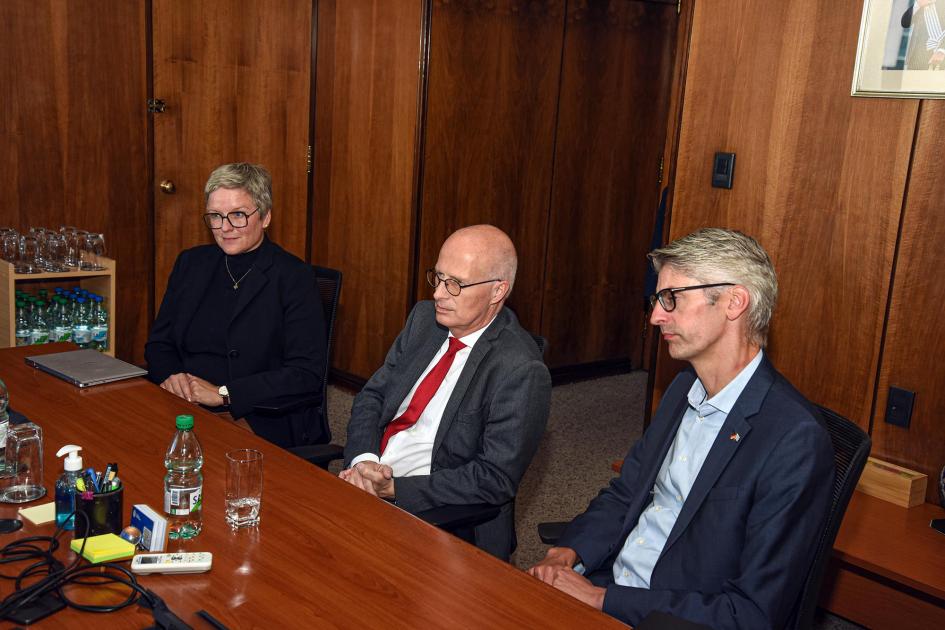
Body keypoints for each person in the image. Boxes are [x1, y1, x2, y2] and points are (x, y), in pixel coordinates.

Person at [528, 228, 834, 629]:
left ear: (734, 302)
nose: (656, 315)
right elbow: (626, 493)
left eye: (672, 298)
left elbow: (751, 615)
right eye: (658, 299)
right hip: (611, 585)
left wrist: (602, 599)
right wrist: (568, 552)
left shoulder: (795, 440)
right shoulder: (683, 387)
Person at [339, 224, 551, 561]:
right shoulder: (425, 320)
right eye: (437, 277)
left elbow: (493, 478)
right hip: (367, 478)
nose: (438, 293)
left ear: (498, 291)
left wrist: (393, 489)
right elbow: (373, 395)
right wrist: (365, 461)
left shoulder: (520, 370)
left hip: (440, 517)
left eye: (455, 284)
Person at [145, 163, 327, 448]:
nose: (225, 227)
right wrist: (174, 378)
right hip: (184, 404)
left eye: (238, 215)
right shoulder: (191, 264)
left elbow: (305, 375)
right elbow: (159, 344)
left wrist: (224, 394)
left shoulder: (293, 277)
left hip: (258, 414)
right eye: (216, 216)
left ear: (265, 217)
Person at [902, 0, 945, 70]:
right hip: (916, 61)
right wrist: (918, 5)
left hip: (941, 59)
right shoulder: (920, 3)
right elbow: (905, 23)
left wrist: (942, 50)